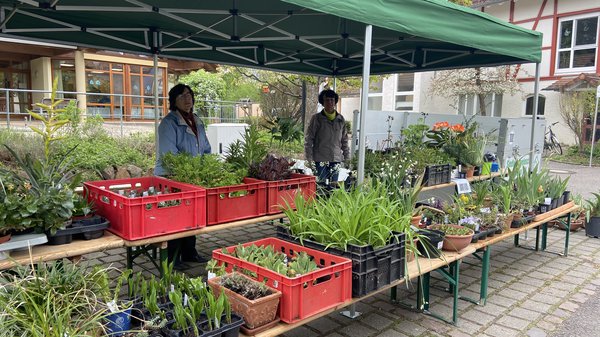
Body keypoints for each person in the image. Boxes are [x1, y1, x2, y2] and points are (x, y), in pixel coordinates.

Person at [155, 83, 211, 267]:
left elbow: (206, 149)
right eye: (182, 96)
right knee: (175, 216)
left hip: (193, 177)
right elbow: (169, 155)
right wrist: (188, 171)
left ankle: (189, 252)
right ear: (174, 101)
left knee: (191, 214)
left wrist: (206, 169)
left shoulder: (196, 120)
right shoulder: (168, 123)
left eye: (189, 95)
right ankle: (172, 257)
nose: (187, 99)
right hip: (172, 177)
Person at [304, 89, 349, 183]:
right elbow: (309, 139)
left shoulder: (340, 119)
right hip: (320, 159)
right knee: (321, 186)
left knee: (333, 186)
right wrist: (309, 158)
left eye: (332, 100)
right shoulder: (316, 119)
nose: (330, 102)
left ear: (335, 102)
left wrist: (347, 157)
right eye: (327, 100)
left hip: (335, 159)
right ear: (322, 103)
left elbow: (344, 140)